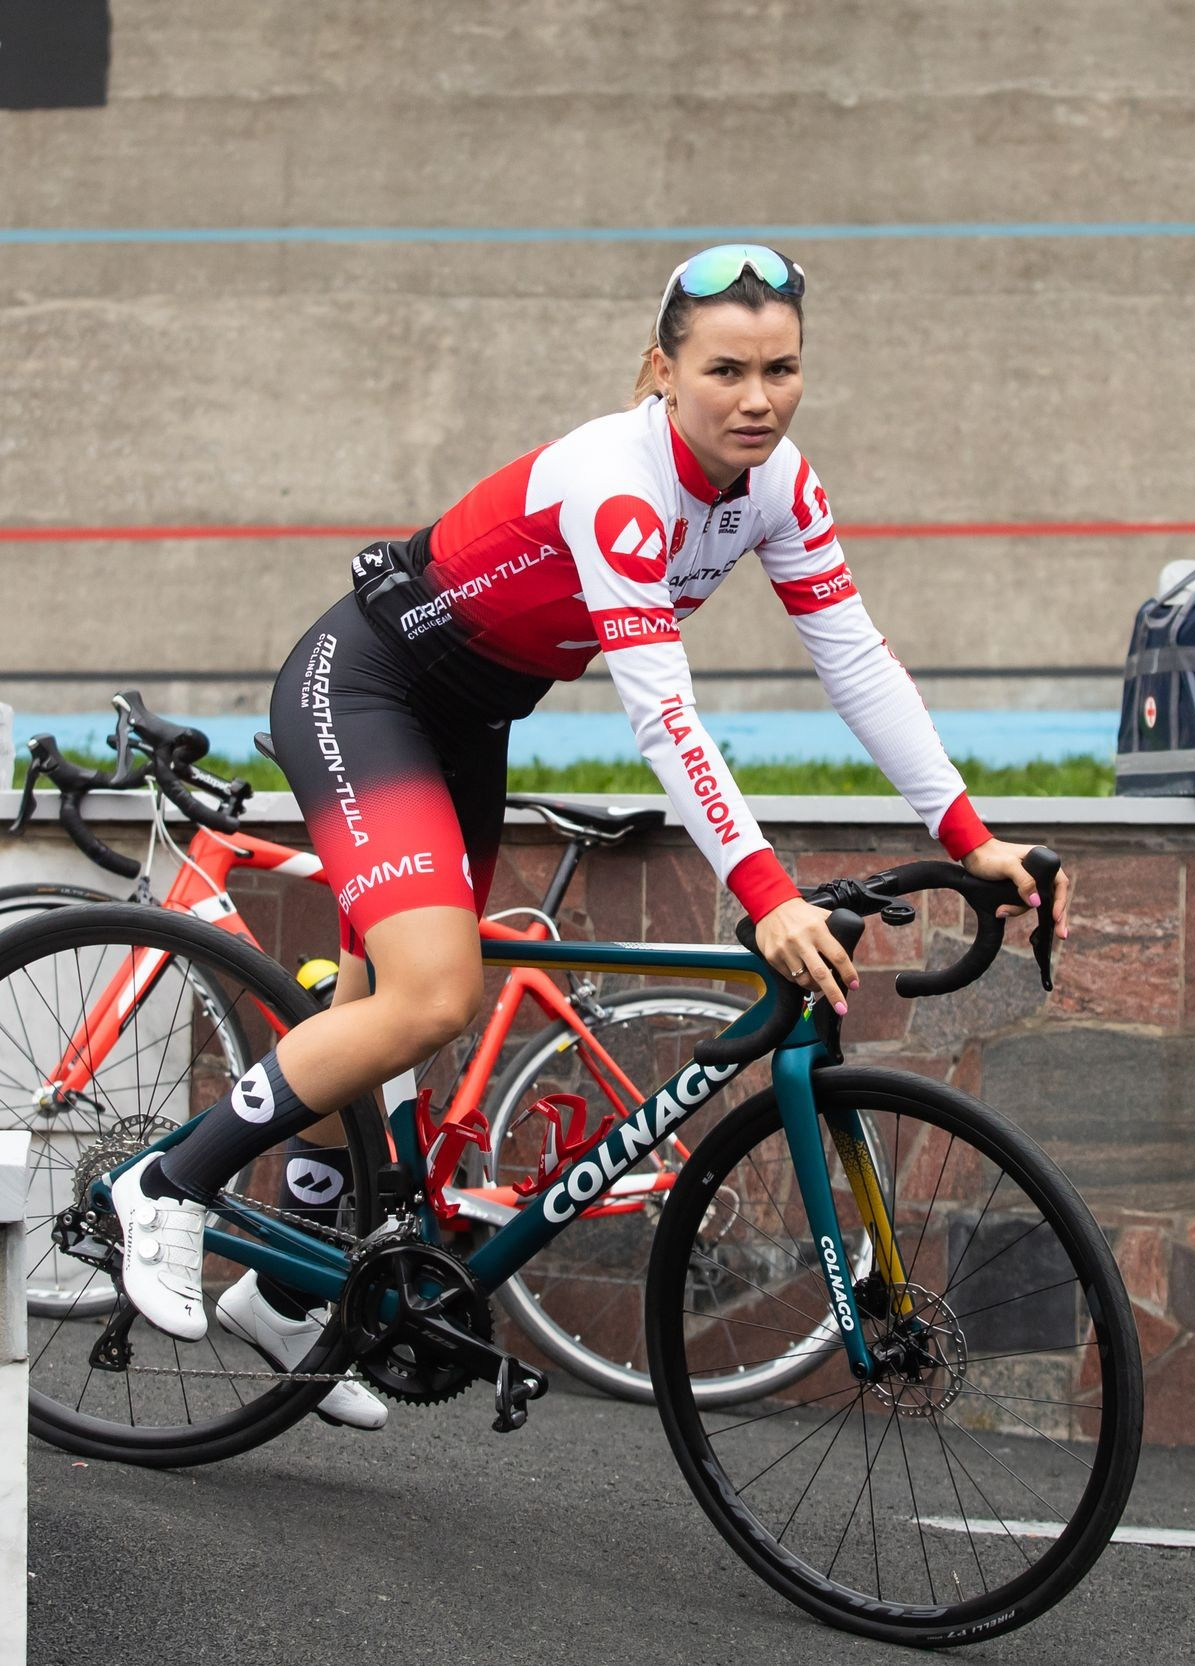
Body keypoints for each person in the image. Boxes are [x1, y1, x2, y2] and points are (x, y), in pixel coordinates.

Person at [113, 244, 1075, 1431]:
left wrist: (971, 833)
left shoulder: (778, 488)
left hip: (464, 715)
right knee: (427, 997)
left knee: (370, 1004)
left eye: (782, 369)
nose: (757, 397)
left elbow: (855, 661)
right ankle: (166, 1183)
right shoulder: (620, 486)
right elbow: (663, 715)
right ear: (657, 373)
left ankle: (281, 1286)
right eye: (725, 368)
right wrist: (766, 891)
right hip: (365, 690)